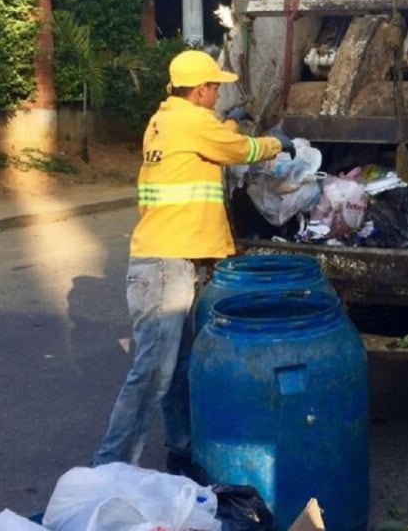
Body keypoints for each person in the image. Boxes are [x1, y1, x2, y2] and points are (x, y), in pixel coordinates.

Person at [92, 50, 293, 479]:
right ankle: (107, 470)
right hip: (165, 266)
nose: (218, 95)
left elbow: (214, 141)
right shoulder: (193, 122)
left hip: (166, 261)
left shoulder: (165, 119)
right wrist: (277, 141)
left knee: (178, 367)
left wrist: (231, 121)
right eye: (215, 89)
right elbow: (238, 150)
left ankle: (182, 454)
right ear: (201, 90)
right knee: (152, 375)